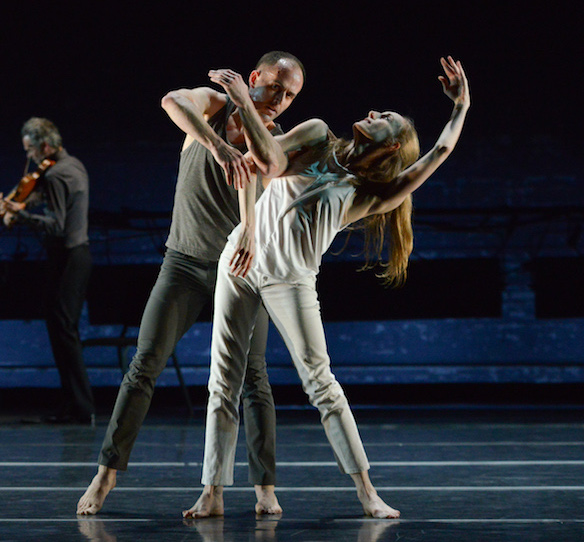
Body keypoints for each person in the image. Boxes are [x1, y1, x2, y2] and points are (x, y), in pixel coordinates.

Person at [184, 56, 470, 519]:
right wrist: (251, 230)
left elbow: (438, 154)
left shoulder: (370, 192)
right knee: (223, 382)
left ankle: (367, 493)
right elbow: (265, 165)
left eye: (385, 120)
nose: (374, 113)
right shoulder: (316, 134)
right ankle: (211, 493)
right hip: (240, 261)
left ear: (393, 143)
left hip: (290, 278)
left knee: (321, 384)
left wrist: (461, 106)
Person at [78, 52, 305, 515]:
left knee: (253, 379)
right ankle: (105, 475)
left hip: (241, 273)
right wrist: (218, 147)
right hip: (184, 263)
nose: (281, 99)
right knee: (144, 364)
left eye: (290, 94)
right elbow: (171, 100)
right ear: (255, 76)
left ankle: (265, 488)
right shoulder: (214, 107)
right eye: (276, 86)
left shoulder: (276, 139)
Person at [0, 117, 93, 424]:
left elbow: (57, 225)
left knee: (64, 331)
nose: (29, 157)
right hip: (70, 256)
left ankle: (80, 406)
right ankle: (72, 403)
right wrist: (19, 205)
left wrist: (20, 216)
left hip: (69, 257)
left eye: (30, 150)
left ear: (45, 146)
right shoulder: (70, 165)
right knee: (61, 329)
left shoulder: (57, 175)